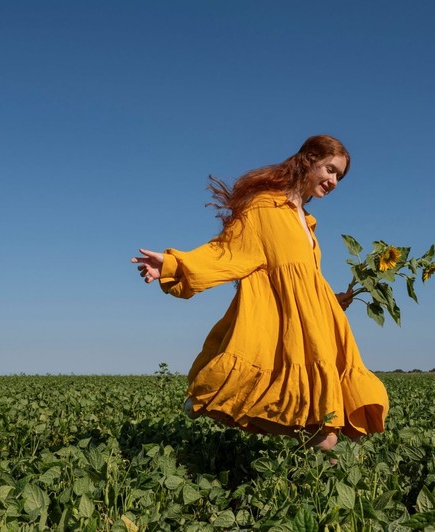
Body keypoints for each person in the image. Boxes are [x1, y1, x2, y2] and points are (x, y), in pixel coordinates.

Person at [131, 135, 388, 453]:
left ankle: (322, 488)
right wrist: (172, 264)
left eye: (339, 176)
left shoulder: (307, 222)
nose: (334, 181)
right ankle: (212, 399)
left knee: (323, 425)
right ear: (309, 160)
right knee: (321, 428)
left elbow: (305, 282)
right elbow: (226, 253)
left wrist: (332, 302)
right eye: (330, 170)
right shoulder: (264, 207)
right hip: (283, 330)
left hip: (314, 331)